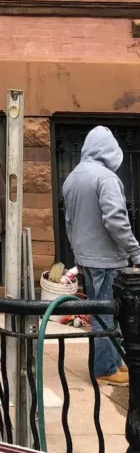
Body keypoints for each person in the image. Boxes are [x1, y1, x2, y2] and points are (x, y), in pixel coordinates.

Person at [62, 125, 140, 386]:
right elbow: (116, 220)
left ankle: (114, 362)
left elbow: (69, 223)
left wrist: (78, 255)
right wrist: (135, 251)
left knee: (98, 313)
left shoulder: (72, 178)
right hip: (108, 260)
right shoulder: (105, 178)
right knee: (108, 314)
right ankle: (106, 368)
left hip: (86, 258)